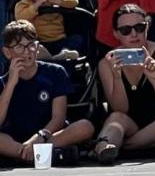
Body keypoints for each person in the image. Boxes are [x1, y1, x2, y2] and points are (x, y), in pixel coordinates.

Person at [92, 3, 155, 161]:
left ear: (147, 27)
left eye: (139, 28)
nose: (134, 34)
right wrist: (117, 77)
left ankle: (125, 147)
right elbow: (120, 109)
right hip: (129, 123)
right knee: (116, 118)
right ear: (116, 34)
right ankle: (104, 148)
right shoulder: (107, 62)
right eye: (125, 30)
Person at [0, 18, 94, 165]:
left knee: (85, 126)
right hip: (16, 139)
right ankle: (33, 154)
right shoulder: (3, 81)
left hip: (48, 135)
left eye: (31, 45)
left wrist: (40, 136)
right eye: (19, 47)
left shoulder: (55, 72)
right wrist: (11, 84)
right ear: (7, 52)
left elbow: (58, 118)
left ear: (38, 47)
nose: (27, 52)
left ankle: (27, 155)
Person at [12, 0, 83, 56]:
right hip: (38, 41)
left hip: (60, 39)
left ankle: (63, 54)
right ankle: (47, 56)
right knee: (33, 47)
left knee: (77, 39)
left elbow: (74, 1)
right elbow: (20, 18)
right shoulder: (23, 4)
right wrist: (36, 5)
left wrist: (55, 0)